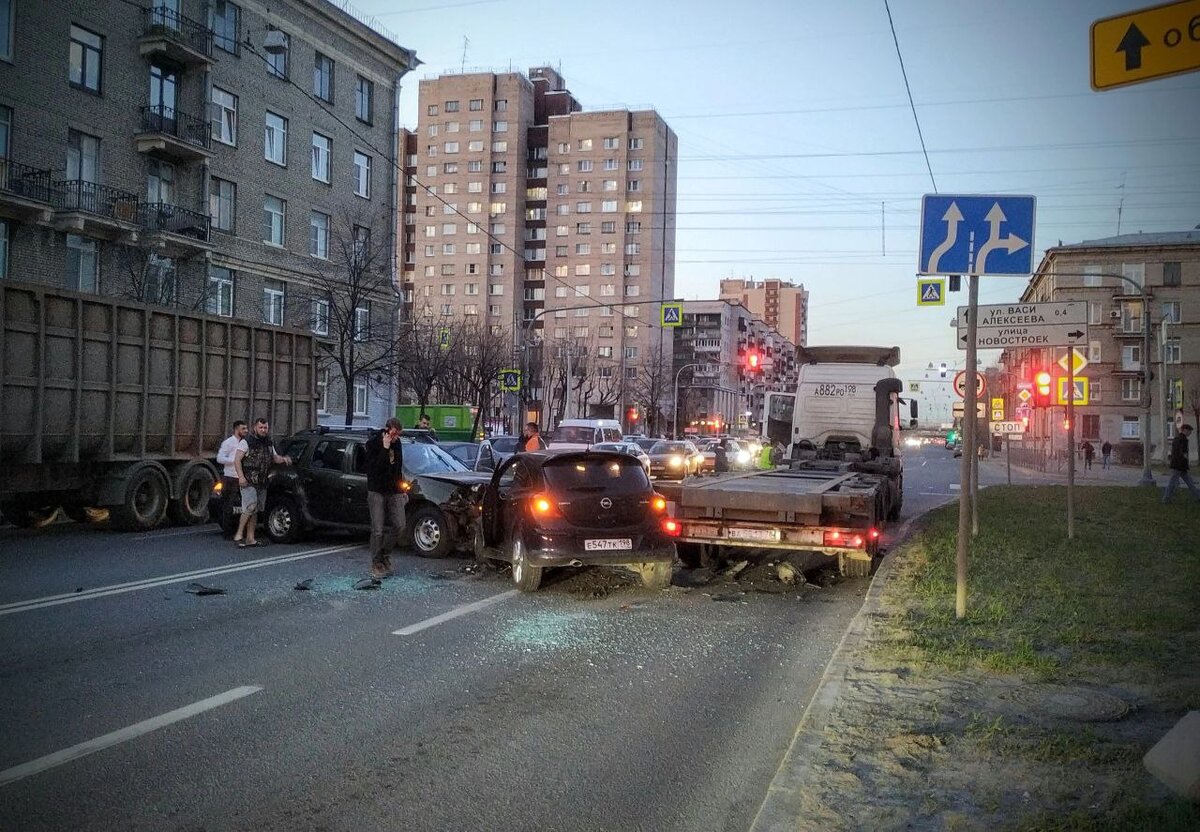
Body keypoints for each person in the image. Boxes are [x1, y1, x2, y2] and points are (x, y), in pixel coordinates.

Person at [232, 417, 292, 548]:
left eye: (265, 428)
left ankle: (250, 538)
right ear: (255, 428)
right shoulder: (246, 442)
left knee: (255, 510)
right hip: (249, 480)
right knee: (250, 507)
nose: (263, 430)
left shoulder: (269, 442)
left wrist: (283, 459)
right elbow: (237, 460)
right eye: (261, 427)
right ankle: (239, 534)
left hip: (263, 481)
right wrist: (241, 477)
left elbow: (274, 458)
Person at [365, 417, 407, 578]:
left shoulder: (398, 444)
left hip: (394, 489)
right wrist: (384, 448)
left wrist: (402, 489)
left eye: (398, 435)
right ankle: (376, 563)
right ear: (387, 430)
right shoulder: (373, 444)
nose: (396, 438)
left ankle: (384, 554)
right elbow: (374, 469)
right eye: (394, 434)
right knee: (377, 529)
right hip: (377, 489)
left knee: (400, 525)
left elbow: (398, 467)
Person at [216, 420, 249, 537]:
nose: (246, 431)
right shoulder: (228, 443)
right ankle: (227, 531)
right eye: (243, 429)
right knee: (229, 505)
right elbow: (219, 458)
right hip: (230, 477)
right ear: (236, 430)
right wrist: (234, 461)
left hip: (243, 478)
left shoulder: (245, 443)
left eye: (246, 429)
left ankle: (242, 530)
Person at [1162, 424, 1200, 503]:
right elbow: (1182, 453)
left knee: (1189, 482)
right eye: (1189, 431)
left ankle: (1197, 496)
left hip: (1179, 465)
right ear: (1184, 430)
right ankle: (1166, 499)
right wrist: (1184, 461)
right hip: (1179, 465)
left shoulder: (1177, 439)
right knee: (1173, 482)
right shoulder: (1183, 440)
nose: (1190, 433)